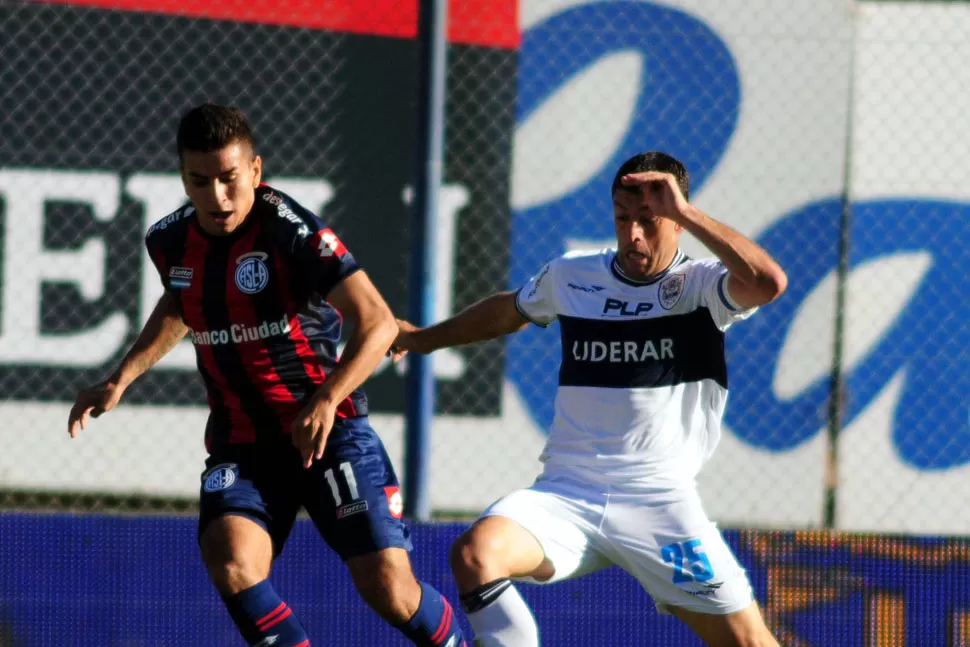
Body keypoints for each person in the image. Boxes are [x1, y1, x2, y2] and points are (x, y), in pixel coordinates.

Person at [68, 103, 466, 647]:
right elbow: (182, 301)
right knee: (231, 561)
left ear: (255, 170)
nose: (217, 197)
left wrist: (326, 400)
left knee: (389, 591)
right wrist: (122, 377)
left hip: (328, 431)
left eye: (229, 179)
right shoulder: (168, 241)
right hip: (244, 443)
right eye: (199, 181)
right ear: (183, 177)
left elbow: (375, 322)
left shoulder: (290, 232)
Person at [391, 151, 787, 647]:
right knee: (474, 554)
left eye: (650, 220)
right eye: (624, 219)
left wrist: (686, 211)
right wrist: (423, 339)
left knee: (751, 642)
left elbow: (770, 283)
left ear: (678, 220)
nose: (634, 235)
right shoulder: (573, 276)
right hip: (567, 492)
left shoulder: (702, 286)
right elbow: (507, 312)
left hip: (658, 502)